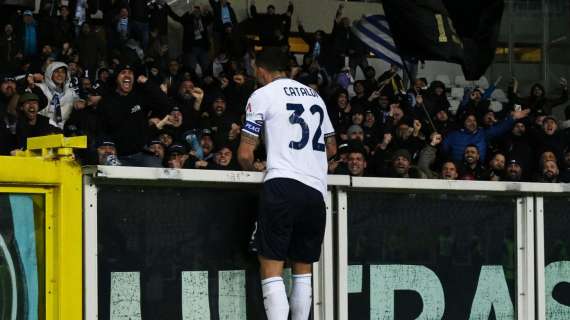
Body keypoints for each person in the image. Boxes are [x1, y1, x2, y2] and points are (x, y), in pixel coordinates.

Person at [237, 47, 336, 320]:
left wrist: (257, 166)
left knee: (271, 267)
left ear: (261, 70)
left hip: (282, 185)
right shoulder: (315, 96)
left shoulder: (262, 95)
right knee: (302, 269)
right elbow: (331, 147)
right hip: (316, 192)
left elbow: (245, 153)